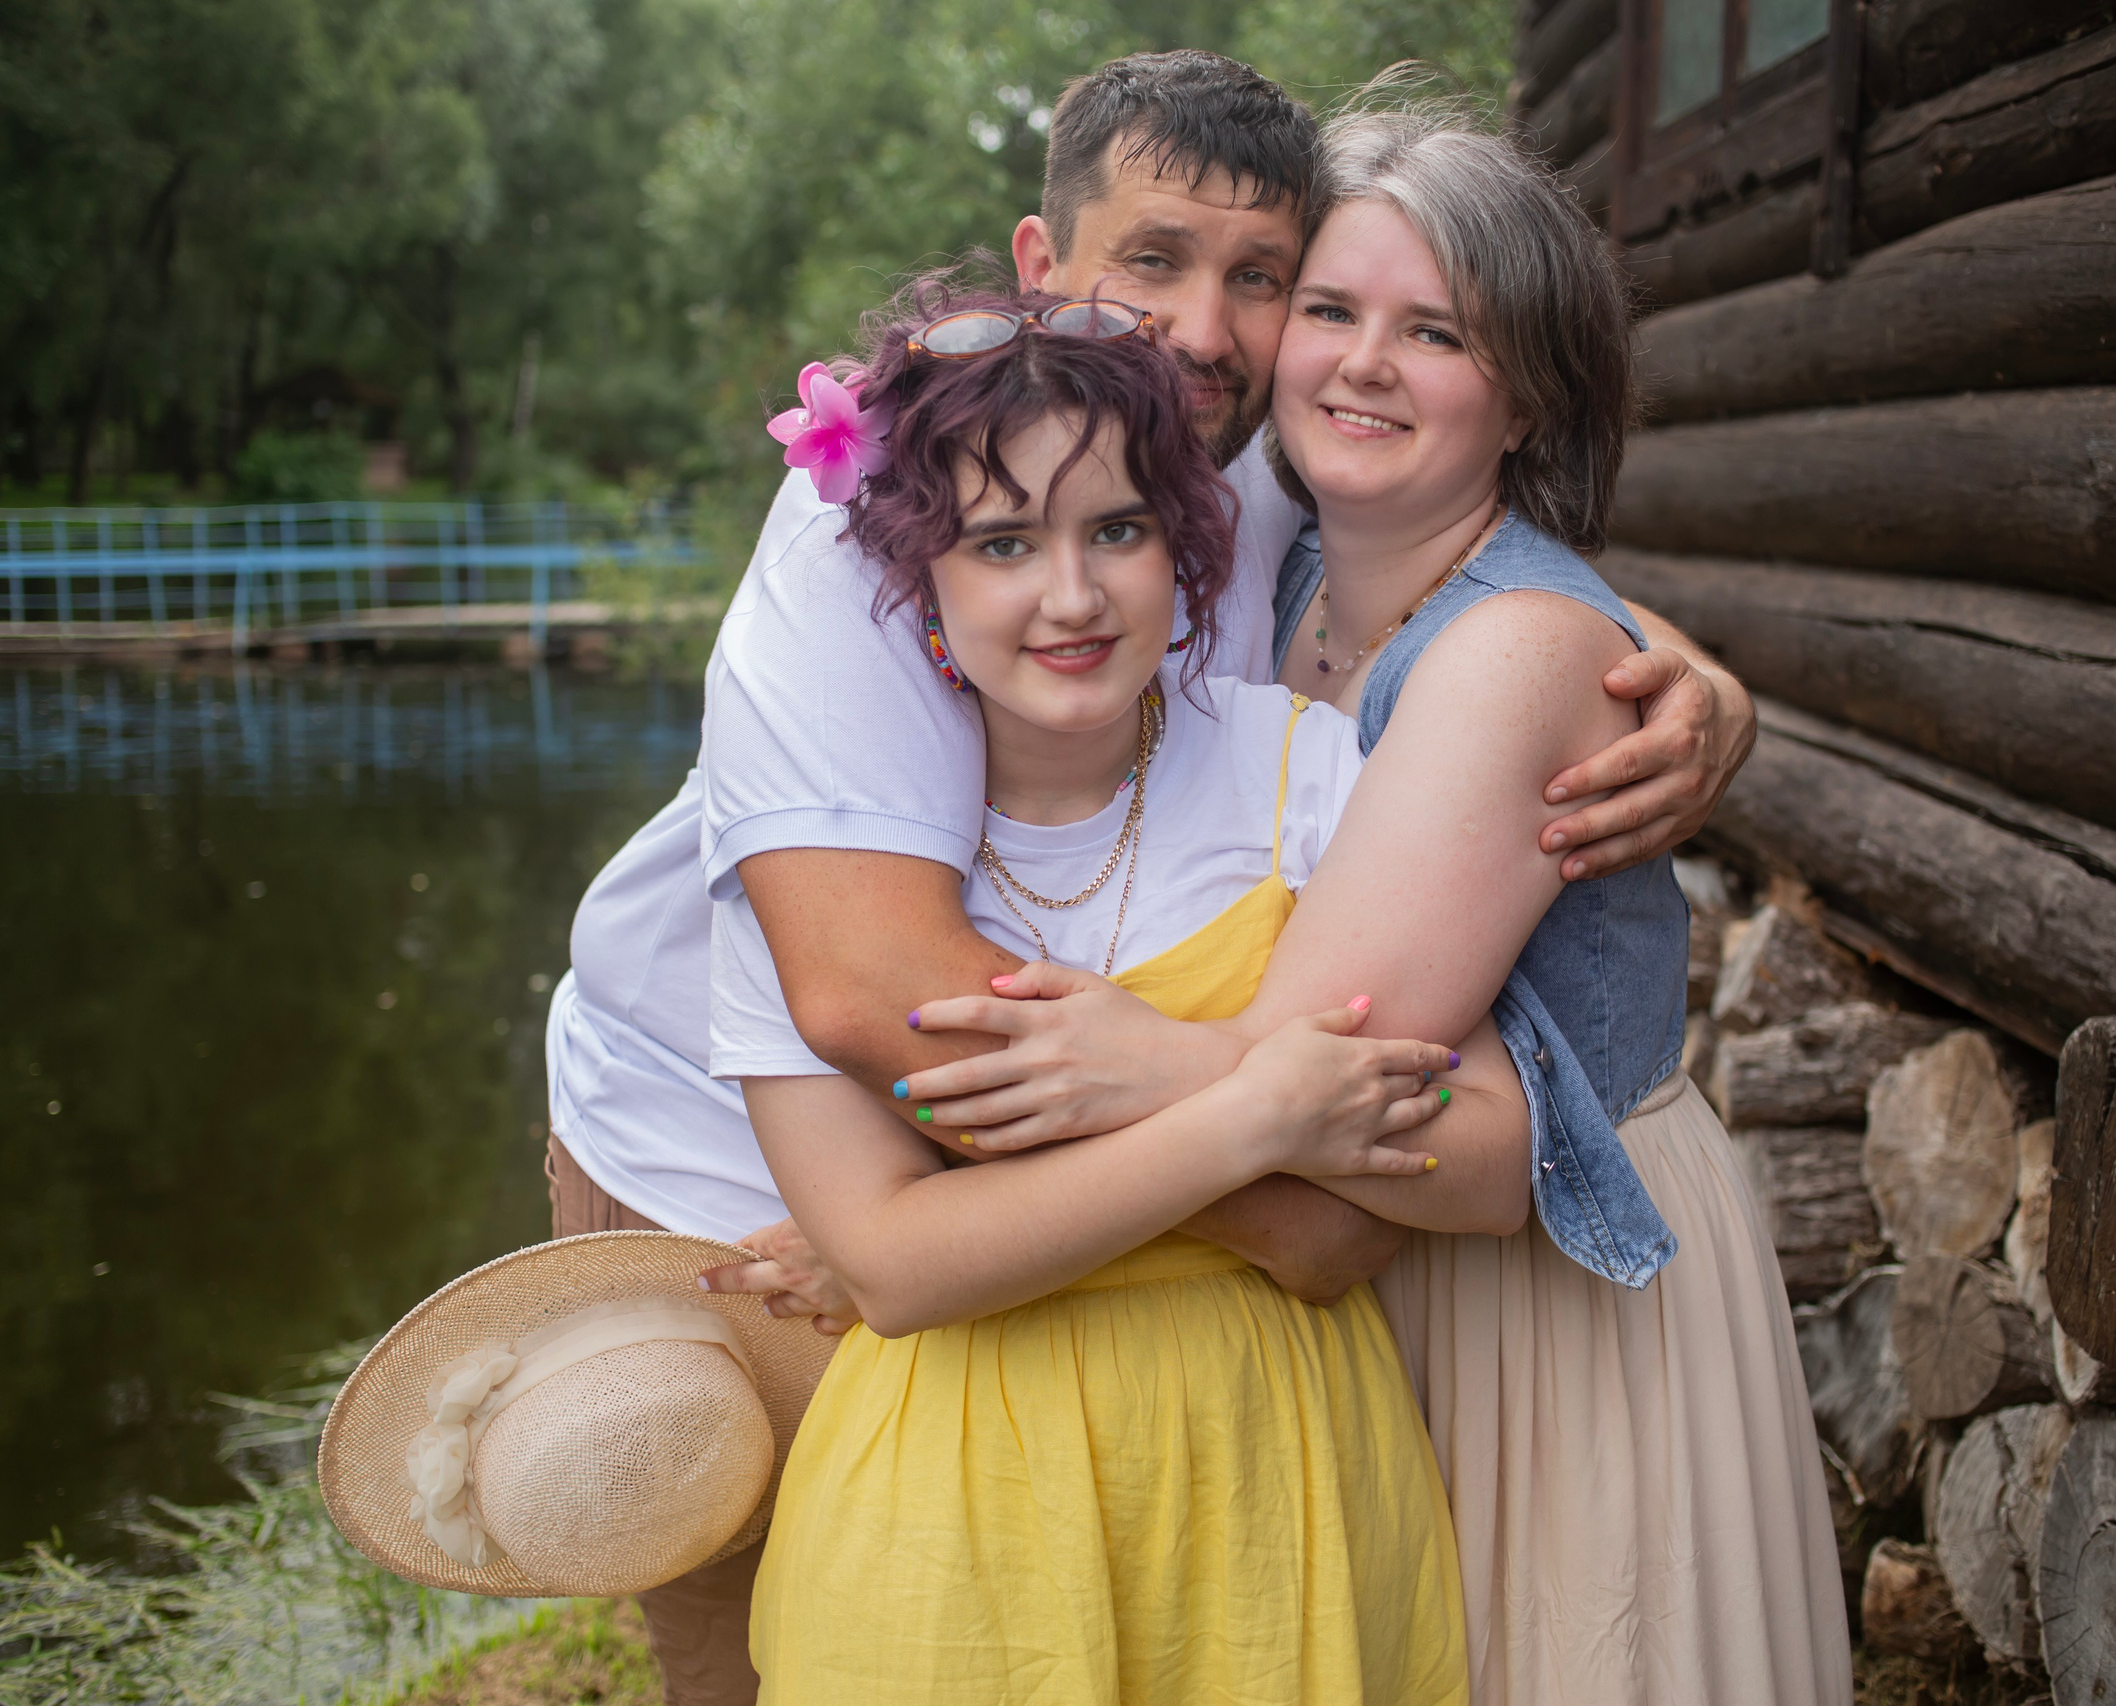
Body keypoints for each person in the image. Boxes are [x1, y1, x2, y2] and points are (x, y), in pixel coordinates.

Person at [544, 50, 1757, 1702]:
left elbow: (1481, 573)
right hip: (723, 1151)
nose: (1202, 330)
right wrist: (1263, 1154)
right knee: (775, 1635)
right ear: (1043, 270)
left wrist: (1686, 673)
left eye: (1262, 278)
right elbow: (869, 996)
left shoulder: (1245, 474)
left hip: (1054, 1224)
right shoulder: (863, 524)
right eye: (1154, 260)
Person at [893, 102, 1854, 1703]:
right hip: (1350, 1258)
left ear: (1528, 388)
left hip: (1542, 1301)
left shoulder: (1517, 655)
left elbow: (1325, 1060)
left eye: (1436, 331)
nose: (1358, 364)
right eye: (1329, 310)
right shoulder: (1267, 569)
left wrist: (1121, 1062)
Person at [718, 287, 1484, 1703]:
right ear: (918, 582)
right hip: (953, 1526)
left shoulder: (1308, 772)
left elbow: (1427, 1193)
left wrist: (1109, 1122)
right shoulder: (809, 862)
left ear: (1184, 543)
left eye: (1116, 530)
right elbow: (895, 1263)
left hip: (1274, 1482)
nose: (1070, 596)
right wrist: (1248, 1113)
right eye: (1002, 543)